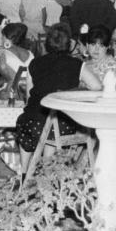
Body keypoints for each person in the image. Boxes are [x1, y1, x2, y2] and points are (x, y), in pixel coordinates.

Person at [13, 23, 102, 170]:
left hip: (32, 123)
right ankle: (48, 169)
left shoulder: (34, 63)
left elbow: (29, 96)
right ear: (69, 45)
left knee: (28, 122)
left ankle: (23, 171)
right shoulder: (76, 64)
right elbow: (97, 87)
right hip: (60, 125)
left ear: (47, 44)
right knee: (54, 128)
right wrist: (77, 90)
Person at [82, 27, 116, 92]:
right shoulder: (85, 62)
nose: (96, 49)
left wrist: (111, 96)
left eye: (101, 46)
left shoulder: (111, 64)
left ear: (107, 47)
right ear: (87, 45)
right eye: (93, 44)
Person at [0, 23, 34, 97]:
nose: (1, 39)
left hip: (14, 91)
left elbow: (2, 67)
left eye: (2, 36)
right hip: (31, 90)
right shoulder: (30, 53)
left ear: (7, 37)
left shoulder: (2, 52)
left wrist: (10, 79)